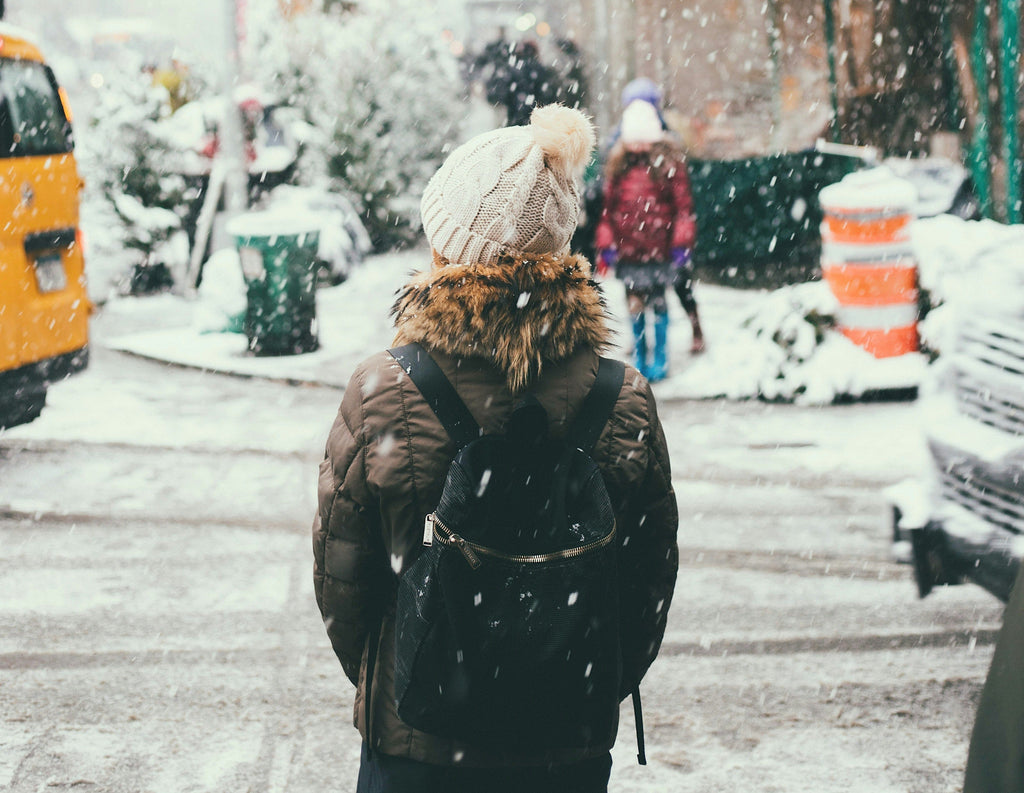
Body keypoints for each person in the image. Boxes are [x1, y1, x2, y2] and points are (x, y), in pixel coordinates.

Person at [312, 104, 679, 793]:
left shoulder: (382, 387)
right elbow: (648, 580)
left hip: (418, 744)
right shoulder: (621, 395)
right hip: (566, 747)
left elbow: (343, 581)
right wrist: (584, 679)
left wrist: (402, 673)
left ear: (447, 249)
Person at [596, 99, 702, 383]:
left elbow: (683, 208)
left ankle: (662, 356)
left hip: (660, 251)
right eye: (635, 140)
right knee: (634, 303)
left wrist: (681, 242)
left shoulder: (668, 164)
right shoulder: (618, 167)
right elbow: (607, 211)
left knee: (658, 302)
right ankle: (641, 354)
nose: (640, 147)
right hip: (629, 253)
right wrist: (606, 244)